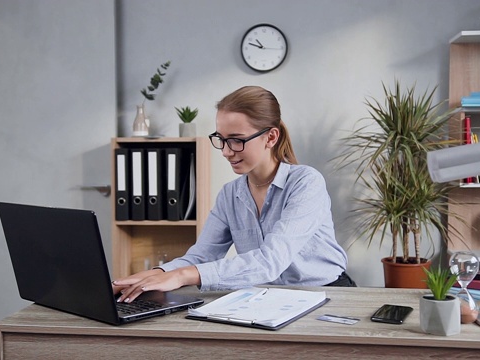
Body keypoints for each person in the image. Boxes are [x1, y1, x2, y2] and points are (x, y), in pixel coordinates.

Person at [113, 86, 352, 303]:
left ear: (271, 137)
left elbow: (271, 262)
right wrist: (157, 274)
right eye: (221, 139)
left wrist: (184, 276)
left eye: (237, 141)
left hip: (326, 293)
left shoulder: (305, 182)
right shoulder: (230, 194)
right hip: (266, 298)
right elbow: (202, 255)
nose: (226, 152)